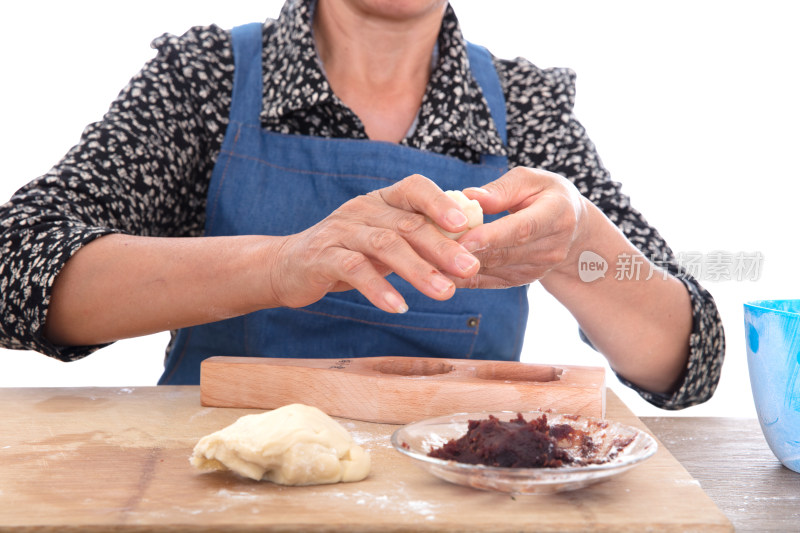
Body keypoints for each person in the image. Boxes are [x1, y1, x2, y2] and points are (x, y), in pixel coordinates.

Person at [0, 0, 724, 408]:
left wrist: (580, 247)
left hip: (460, 497)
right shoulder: (208, 78)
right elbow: (15, 263)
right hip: (214, 493)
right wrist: (281, 262)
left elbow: (685, 358)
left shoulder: (525, 109)